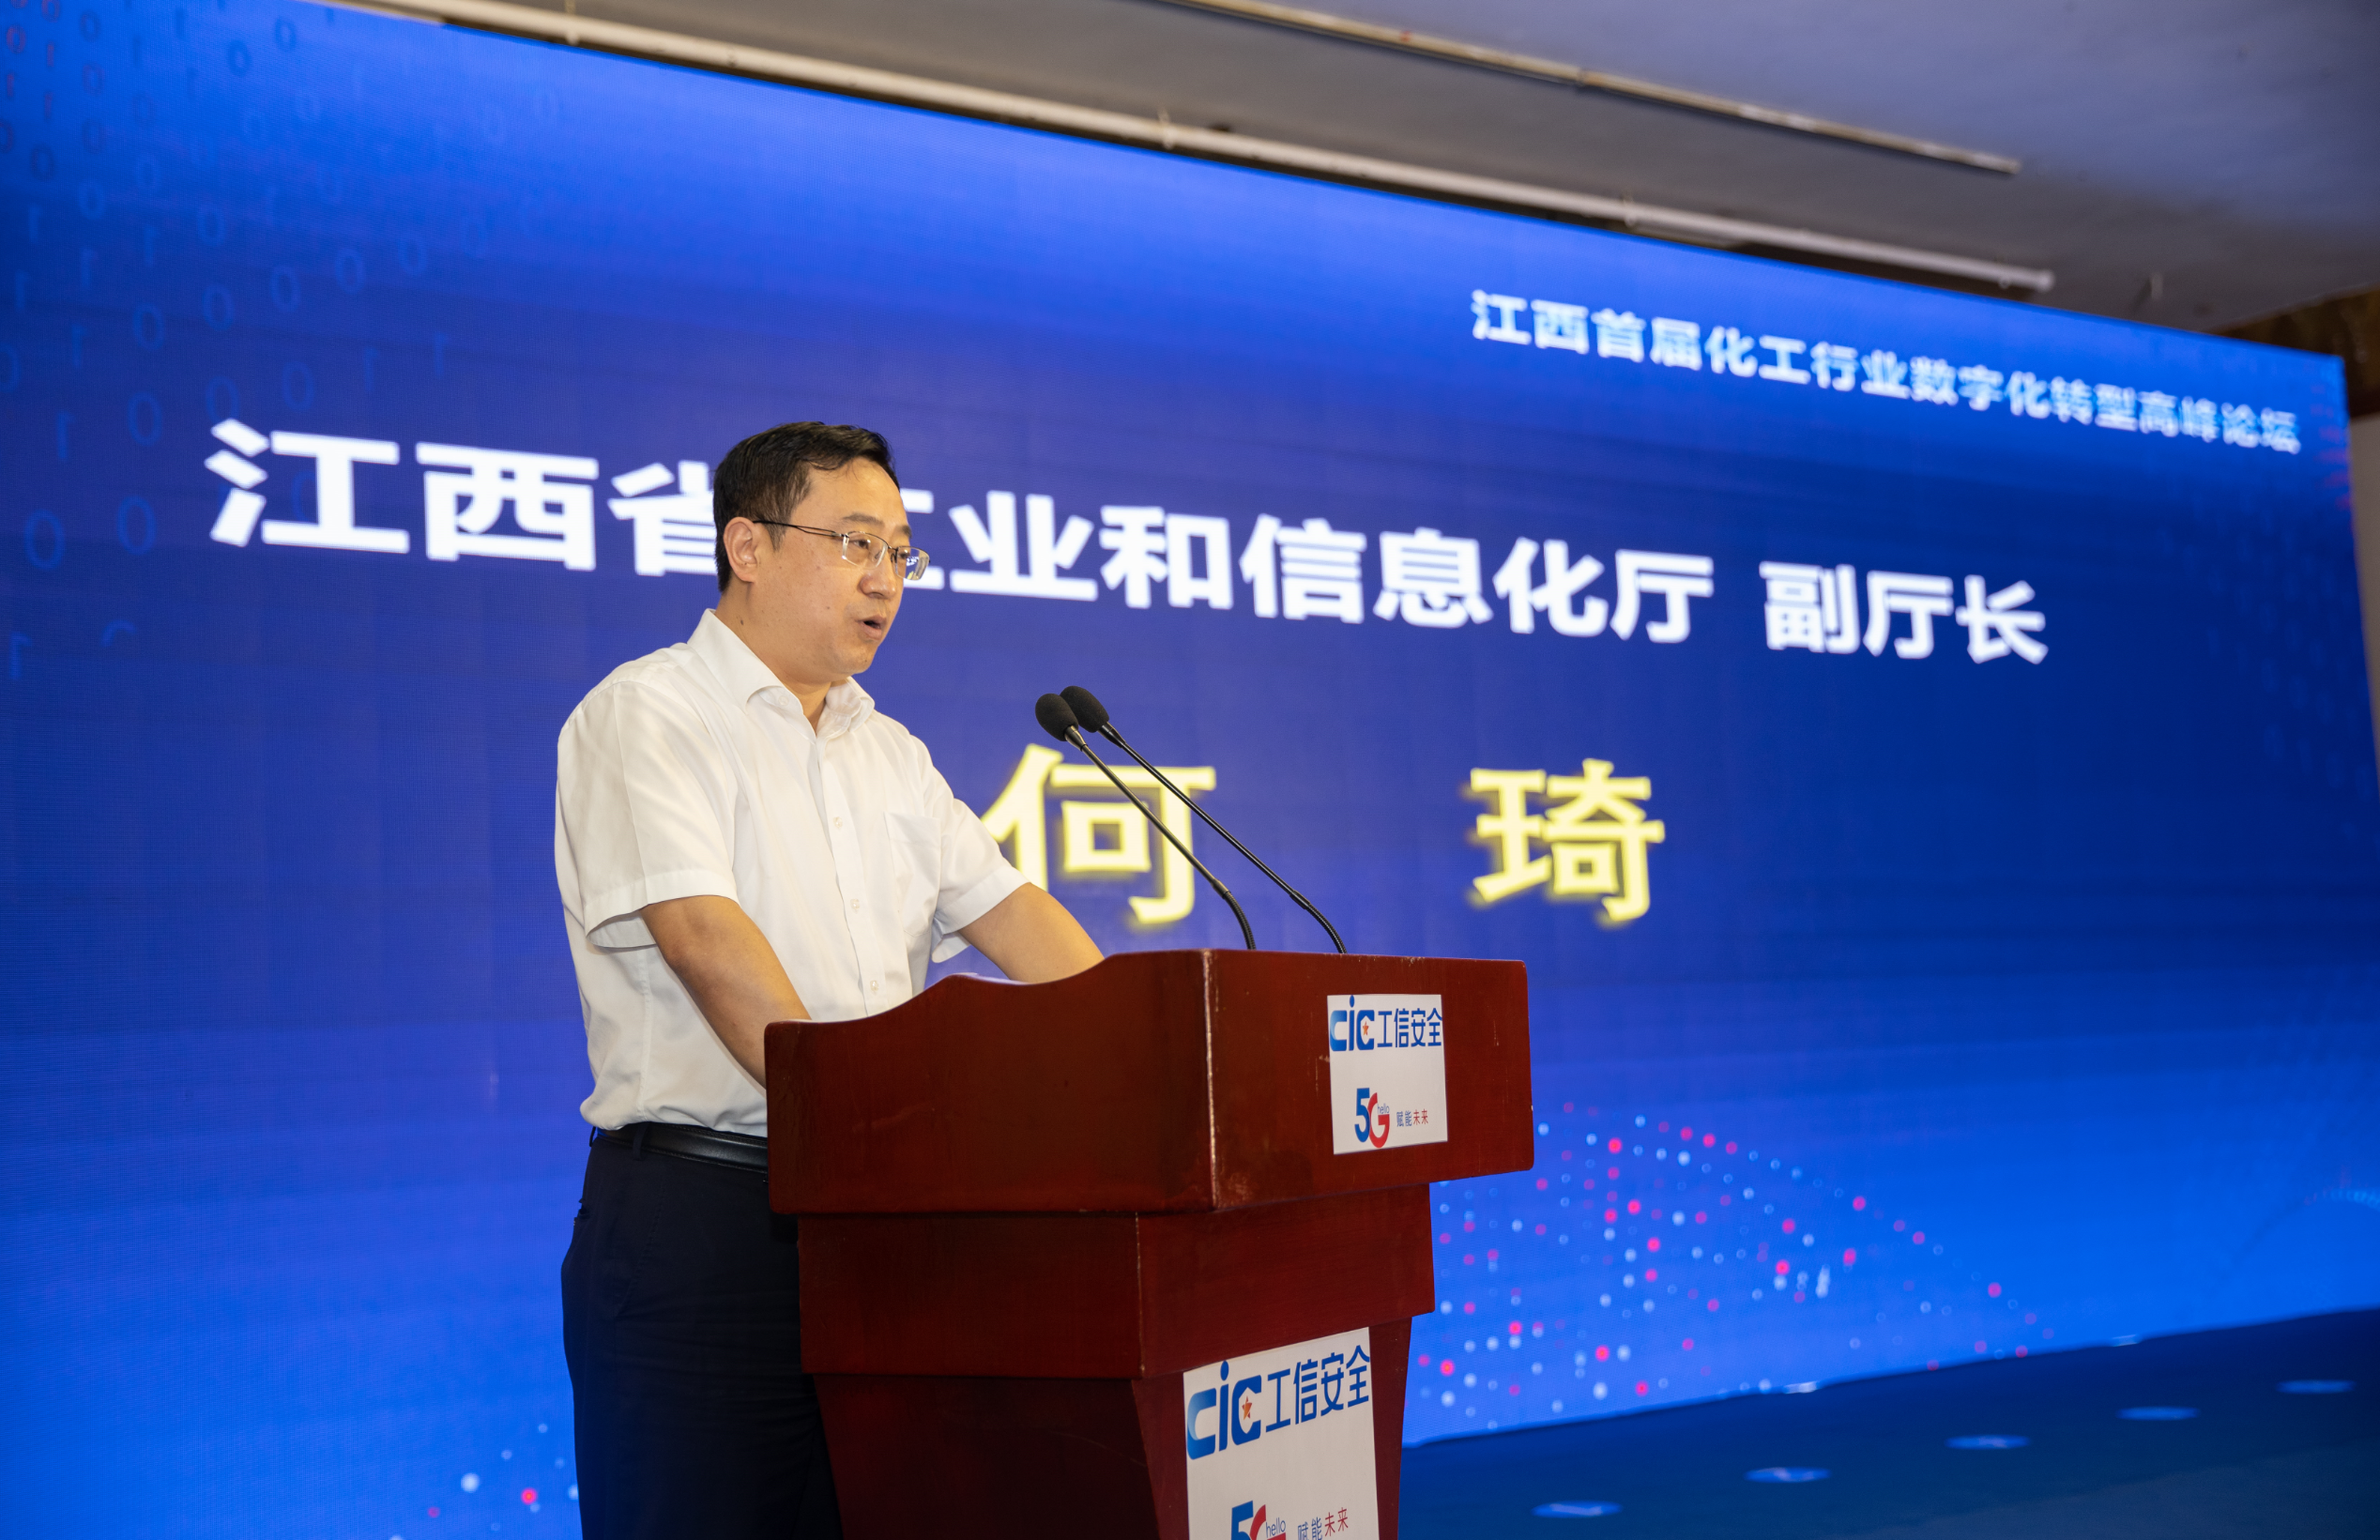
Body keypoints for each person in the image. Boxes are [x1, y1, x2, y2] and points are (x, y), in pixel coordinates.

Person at [553, 421, 1102, 1537]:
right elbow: (705, 939)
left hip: (877, 1231)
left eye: (901, 552)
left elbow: (1014, 916)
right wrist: (862, 1134)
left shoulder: (885, 750)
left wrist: (1142, 1054)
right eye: (856, 543)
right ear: (747, 546)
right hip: (707, 1229)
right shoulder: (649, 712)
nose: (885, 579)